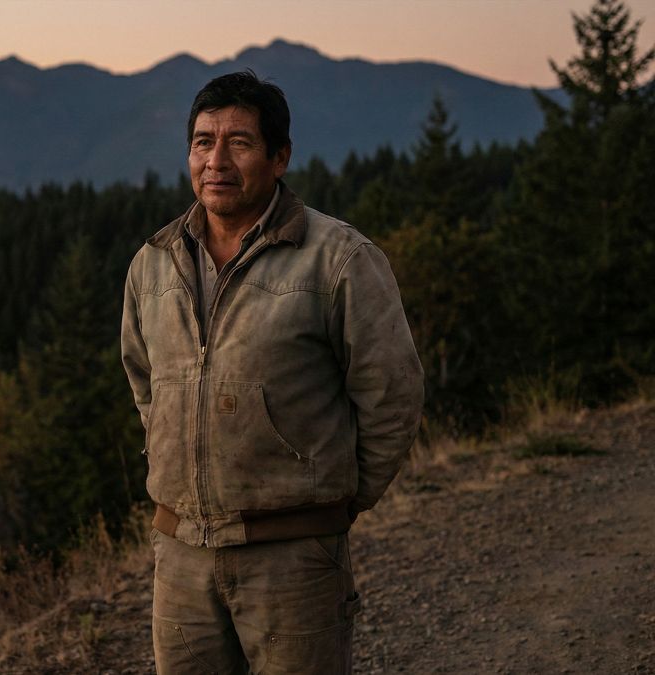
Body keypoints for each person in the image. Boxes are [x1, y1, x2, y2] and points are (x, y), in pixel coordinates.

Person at [120, 70, 424, 674]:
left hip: (295, 559)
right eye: (203, 142)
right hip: (181, 557)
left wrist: (335, 503)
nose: (216, 161)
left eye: (239, 143)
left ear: (280, 157)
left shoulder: (338, 259)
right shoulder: (152, 264)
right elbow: (145, 384)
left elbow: (391, 393)